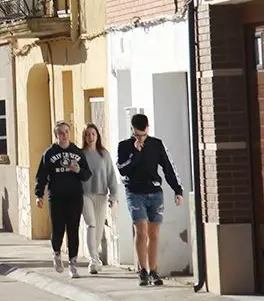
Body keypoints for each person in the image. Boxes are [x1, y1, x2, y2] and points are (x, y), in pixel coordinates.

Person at [117, 114, 183, 287]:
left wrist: (177, 190)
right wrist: (136, 153)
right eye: (137, 135)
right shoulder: (124, 146)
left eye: (143, 134)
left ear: (148, 128)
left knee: (154, 233)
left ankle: (154, 270)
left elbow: (168, 167)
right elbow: (123, 170)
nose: (141, 138)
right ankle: (143, 271)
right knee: (141, 231)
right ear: (132, 130)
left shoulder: (156, 144)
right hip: (134, 192)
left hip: (155, 192)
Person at [34, 121, 92, 279]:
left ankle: (73, 264)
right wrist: (39, 195)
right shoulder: (49, 153)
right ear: (56, 135)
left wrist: (79, 170)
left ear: (70, 133)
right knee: (58, 228)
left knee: (73, 229)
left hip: (74, 196)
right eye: (61, 132)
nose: (64, 135)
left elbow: (87, 175)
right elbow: (41, 176)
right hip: (57, 196)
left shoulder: (77, 152)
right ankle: (56, 253)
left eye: (66, 132)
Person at [80, 124, 118, 275]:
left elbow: (111, 175)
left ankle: (95, 258)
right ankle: (94, 260)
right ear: (84, 137)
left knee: (99, 227)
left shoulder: (104, 154)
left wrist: (113, 195)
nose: (91, 137)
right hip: (84, 194)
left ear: (97, 136)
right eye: (88, 134)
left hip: (101, 195)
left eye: (93, 134)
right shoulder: (80, 154)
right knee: (91, 224)